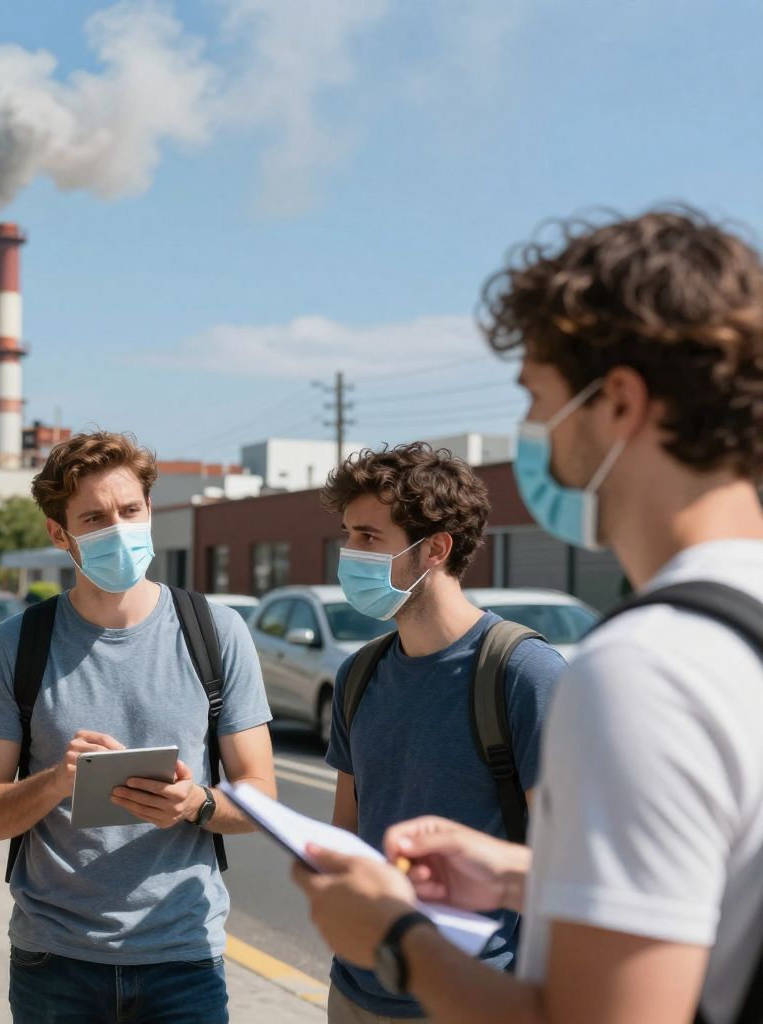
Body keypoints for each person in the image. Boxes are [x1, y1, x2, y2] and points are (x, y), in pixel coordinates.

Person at [292, 207, 763, 1024]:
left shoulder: (646, 667)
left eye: (538, 398)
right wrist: (519, 876)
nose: (533, 432)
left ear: (618, 402)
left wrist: (396, 938)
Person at [0, 430, 278, 1024]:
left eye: (130, 511)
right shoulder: (16, 645)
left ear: (150, 510)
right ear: (60, 534)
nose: (120, 529)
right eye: (95, 518)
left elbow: (262, 796)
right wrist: (57, 781)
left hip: (183, 958)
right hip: (53, 962)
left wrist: (196, 804)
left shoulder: (217, 631)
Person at [319, 443, 565, 1023]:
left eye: (369, 537)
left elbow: (569, 862)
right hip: (356, 988)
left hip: (472, 994)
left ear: (435, 549)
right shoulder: (360, 673)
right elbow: (347, 830)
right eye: (347, 536)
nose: (348, 555)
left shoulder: (523, 672)